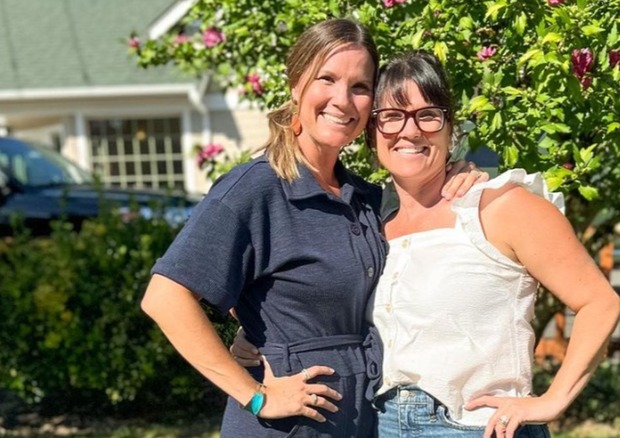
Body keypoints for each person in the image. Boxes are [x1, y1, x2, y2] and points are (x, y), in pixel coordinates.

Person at [232, 50, 620, 438]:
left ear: (450, 130)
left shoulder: (500, 207)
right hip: (378, 425)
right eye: (392, 117)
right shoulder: (370, 222)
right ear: (372, 133)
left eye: (428, 115)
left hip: (475, 427)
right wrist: (256, 331)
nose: (411, 130)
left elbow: (599, 303)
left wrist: (551, 401)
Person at [140, 20, 484, 438]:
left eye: (360, 87)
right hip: (286, 429)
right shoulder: (255, 189)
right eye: (327, 79)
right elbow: (164, 298)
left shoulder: (367, 198)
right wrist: (255, 395)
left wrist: (454, 175)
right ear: (296, 84)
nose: (343, 100)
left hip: (364, 423)